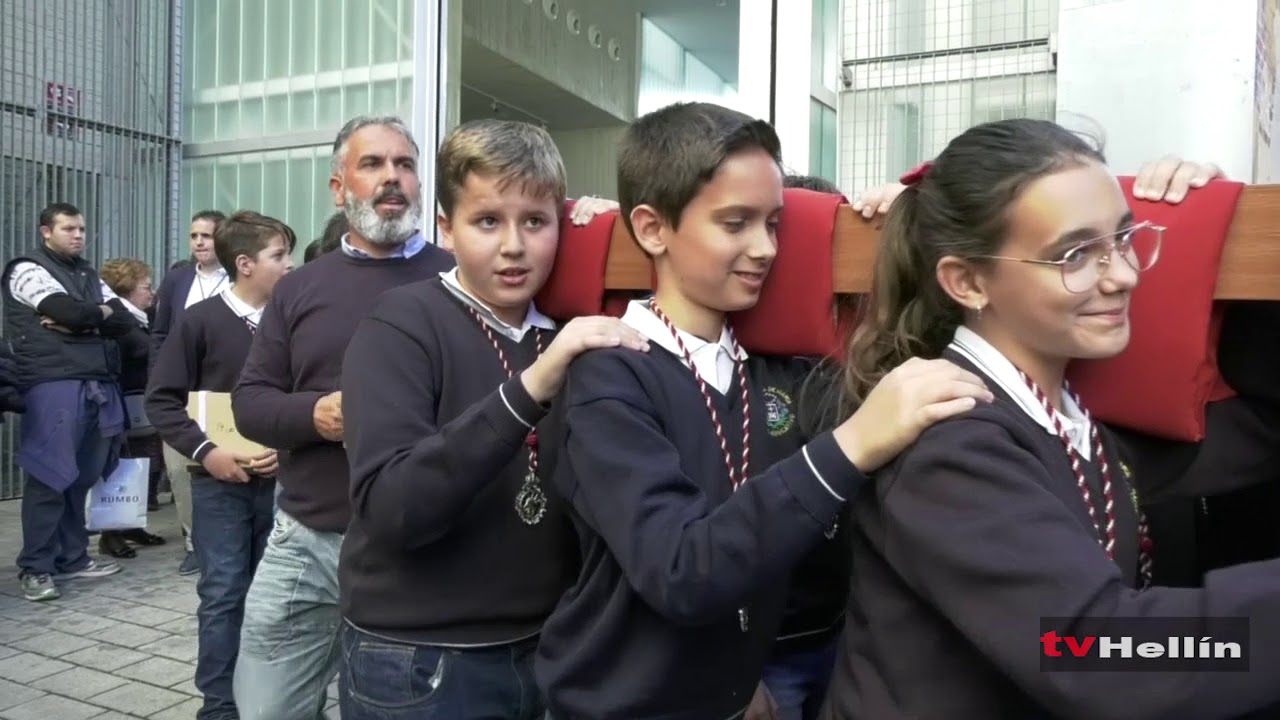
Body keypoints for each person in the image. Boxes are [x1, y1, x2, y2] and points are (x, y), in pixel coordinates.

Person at [534, 101, 993, 720]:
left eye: (775, 224)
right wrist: (853, 444)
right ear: (651, 229)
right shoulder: (609, 374)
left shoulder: (768, 367)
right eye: (735, 223)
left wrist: (908, 213)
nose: (766, 248)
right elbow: (681, 569)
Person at [820, 118, 1280, 720]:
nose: (1123, 275)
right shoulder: (951, 445)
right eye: (1075, 255)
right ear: (967, 281)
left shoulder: (1070, 419)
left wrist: (1236, 236)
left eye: (1124, 238)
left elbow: (1259, 433)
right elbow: (1096, 652)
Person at [339, 118, 649, 719]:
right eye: (488, 221)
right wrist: (532, 387)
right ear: (446, 229)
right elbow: (395, 509)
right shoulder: (401, 323)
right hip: (420, 661)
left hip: (549, 647)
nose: (514, 245)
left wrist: (613, 231)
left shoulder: (567, 331)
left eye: (535, 222)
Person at [147, 211, 295, 720]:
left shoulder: (290, 322)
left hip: (283, 485)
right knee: (225, 593)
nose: (290, 266)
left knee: (275, 600)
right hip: (219, 486)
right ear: (246, 264)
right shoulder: (200, 321)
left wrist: (291, 445)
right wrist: (208, 453)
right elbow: (162, 401)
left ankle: (271, 699)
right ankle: (219, 705)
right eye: (280, 256)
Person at [2, 202, 129, 602]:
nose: (78, 235)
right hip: (53, 384)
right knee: (49, 476)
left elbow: (126, 317)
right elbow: (63, 309)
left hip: (97, 383)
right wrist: (88, 318)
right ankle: (36, 567)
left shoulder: (89, 273)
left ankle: (72, 557)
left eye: (82, 228)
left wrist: (84, 318)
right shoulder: (26, 269)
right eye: (69, 228)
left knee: (82, 477)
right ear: (45, 232)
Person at [152, 209, 229, 576]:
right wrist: (161, 376)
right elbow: (160, 331)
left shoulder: (236, 278)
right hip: (183, 388)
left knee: (221, 461)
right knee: (180, 468)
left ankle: (223, 540)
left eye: (207, 236)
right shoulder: (177, 280)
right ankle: (192, 542)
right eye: (194, 236)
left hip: (222, 389)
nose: (199, 242)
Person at [98, 258, 166, 558]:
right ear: (126, 291)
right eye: (146, 287)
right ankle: (109, 533)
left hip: (141, 401)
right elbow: (142, 350)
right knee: (118, 466)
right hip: (124, 400)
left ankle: (131, 523)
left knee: (142, 464)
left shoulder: (143, 317)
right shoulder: (120, 320)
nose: (151, 293)